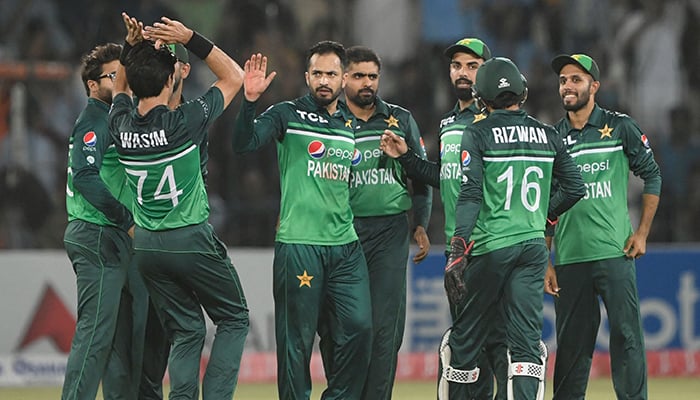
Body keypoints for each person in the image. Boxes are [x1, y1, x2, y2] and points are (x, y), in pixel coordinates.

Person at [108, 13, 249, 399]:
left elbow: (120, 85)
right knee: (234, 318)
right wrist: (191, 37)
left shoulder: (118, 125)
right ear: (172, 79)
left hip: (148, 247)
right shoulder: (183, 123)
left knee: (187, 330)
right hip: (190, 238)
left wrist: (130, 48)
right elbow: (234, 76)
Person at [231, 41, 372, 399]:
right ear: (307, 76)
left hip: (345, 245)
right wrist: (249, 103)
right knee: (296, 342)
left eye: (332, 73)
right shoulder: (287, 114)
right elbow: (243, 143)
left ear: (344, 79)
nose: (324, 80)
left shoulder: (350, 125)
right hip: (300, 244)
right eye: (318, 73)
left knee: (360, 329)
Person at [441, 57, 585, 399]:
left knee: (465, 340)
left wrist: (458, 250)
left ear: (482, 98)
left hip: (491, 247)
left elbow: (471, 194)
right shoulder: (548, 134)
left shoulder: (477, 132)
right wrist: (543, 216)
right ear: (522, 92)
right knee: (524, 344)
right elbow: (575, 188)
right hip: (533, 248)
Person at [381, 37, 508, 399]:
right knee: (469, 344)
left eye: (472, 65)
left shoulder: (499, 117)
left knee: (501, 341)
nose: (463, 73)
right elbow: (446, 177)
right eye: (457, 66)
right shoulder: (449, 121)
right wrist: (407, 157)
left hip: (494, 244)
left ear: (488, 69)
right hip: (458, 247)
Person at [545, 53, 662, 400]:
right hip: (569, 258)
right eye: (564, 79)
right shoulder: (551, 137)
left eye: (576, 79)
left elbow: (652, 174)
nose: (568, 85)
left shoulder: (620, 126)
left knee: (627, 337)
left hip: (614, 251)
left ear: (594, 86)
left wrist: (642, 234)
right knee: (571, 348)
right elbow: (548, 203)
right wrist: (546, 258)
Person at [342, 45, 432, 400]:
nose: (367, 83)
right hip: (343, 231)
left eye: (373, 76)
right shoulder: (331, 120)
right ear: (345, 77)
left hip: (390, 231)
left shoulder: (400, 119)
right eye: (360, 75)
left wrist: (420, 224)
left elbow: (421, 175)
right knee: (346, 324)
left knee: (385, 330)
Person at [61, 42, 135, 400]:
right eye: (114, 75)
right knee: (95, 335)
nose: (123, 81)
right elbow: (86, 177)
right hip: (98, 234)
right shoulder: (94, 120)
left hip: (108, 236)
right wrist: (126, 219)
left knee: (116, 341)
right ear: (93, 85)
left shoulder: (111, 116)